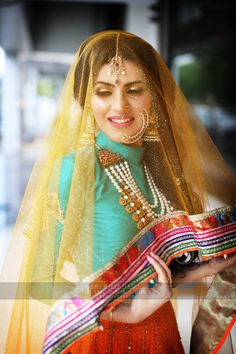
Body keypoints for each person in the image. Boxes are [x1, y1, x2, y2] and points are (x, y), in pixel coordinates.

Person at [0, 31, 235, 354]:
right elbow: (40, 280)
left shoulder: (163, 170)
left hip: (162, 337)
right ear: (87, 99)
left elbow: (160, 269)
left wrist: (204, 267)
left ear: (154, 94)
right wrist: (129, 311)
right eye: (103, 92)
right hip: (101, 337)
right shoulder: (77, 169)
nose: (120, 105)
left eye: (135, 90)